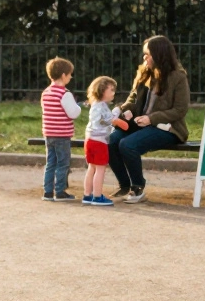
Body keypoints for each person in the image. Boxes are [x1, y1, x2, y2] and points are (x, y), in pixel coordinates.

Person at [108, 35, 191, 204]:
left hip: (167, 128)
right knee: (110, 140)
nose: (144, 57)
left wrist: (151, 118)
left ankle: (137, 188)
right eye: (144, 54)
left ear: (160, 55)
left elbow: (180, 110)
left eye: (148, 54)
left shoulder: (178, 77)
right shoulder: (144, 73)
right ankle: (124, 185)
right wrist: (120, 109)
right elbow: (132, 99)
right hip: (140, 124)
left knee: (127, 144)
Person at [40, 56, 80, 202]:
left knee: (51, 162)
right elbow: (73, 113)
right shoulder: (65, 93)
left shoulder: (46, 92)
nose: (71, 77)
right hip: (62, 134)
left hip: (49, 133)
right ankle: (60, 191)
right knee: (63, 163)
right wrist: (78, 107)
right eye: (70, 74)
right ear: (64, 75)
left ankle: (48, 191)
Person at [81, 76, 120, 207]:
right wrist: (119, 110)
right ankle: (97, 196)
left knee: (91, 167)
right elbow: (112, 120)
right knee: (100, 169)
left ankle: (87, 194)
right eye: (111, 90)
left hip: (89, 139)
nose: (113, 93)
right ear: (103, 90)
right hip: (100, 141)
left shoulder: (95, 105)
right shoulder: (103, 106)